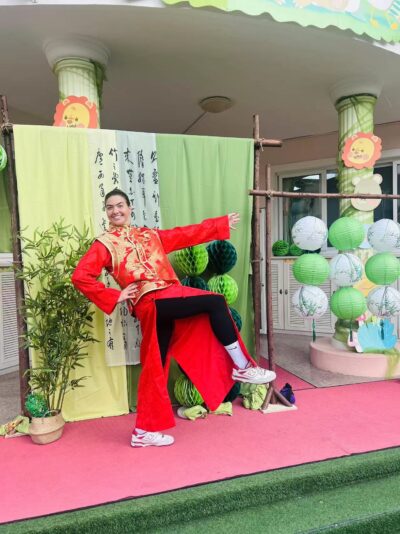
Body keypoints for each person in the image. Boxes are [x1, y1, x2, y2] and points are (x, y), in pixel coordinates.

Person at [72, 189, 276, 448]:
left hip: (167, 297)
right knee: (214, 301)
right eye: (110, 207)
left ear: (129, 207)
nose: (116, 211)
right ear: (107, 212)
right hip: (149, 303)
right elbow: (81, 276)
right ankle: (242, 367)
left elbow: (183, 235)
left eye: (120, 205)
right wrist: (116, 295)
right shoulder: (104, 244)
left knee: (155, 365)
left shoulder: (149, 235)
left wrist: (218, 225)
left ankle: (144, 432)